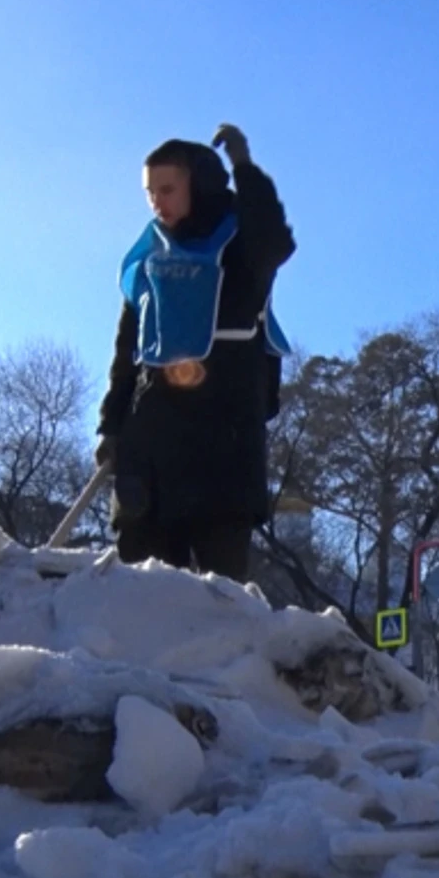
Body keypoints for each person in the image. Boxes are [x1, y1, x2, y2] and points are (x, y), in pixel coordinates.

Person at [94, 124, 295, 584]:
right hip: (152, 443)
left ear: (199, 184)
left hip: (223, 439)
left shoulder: (241, 243)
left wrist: (244, 169)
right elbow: (129, 348)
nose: (156, 202)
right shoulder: (148, 257)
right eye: (149, 192)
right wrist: (112, 425)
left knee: (220, 598)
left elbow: (276, 240)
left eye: (167, 189)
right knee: (141, 587)